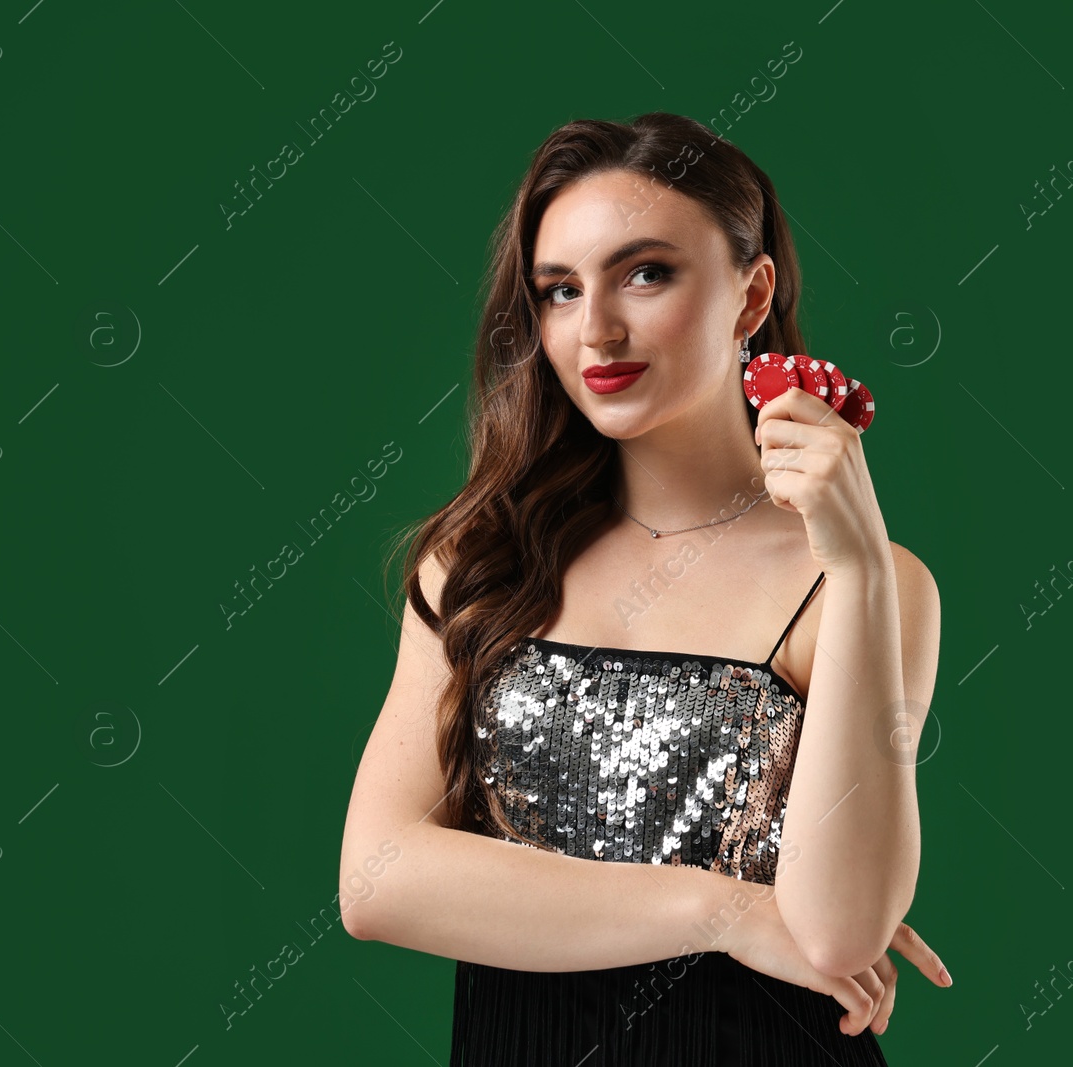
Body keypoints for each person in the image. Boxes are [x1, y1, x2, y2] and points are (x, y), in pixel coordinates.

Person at [339, 111, 947, 1066]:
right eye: (559, 290)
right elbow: (377, 882)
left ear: (752, 298)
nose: (597, 329)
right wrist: (727, 911)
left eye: (646, 273)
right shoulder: (481, 560)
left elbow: (836, 935)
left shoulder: (864, 586)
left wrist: (861, 564)